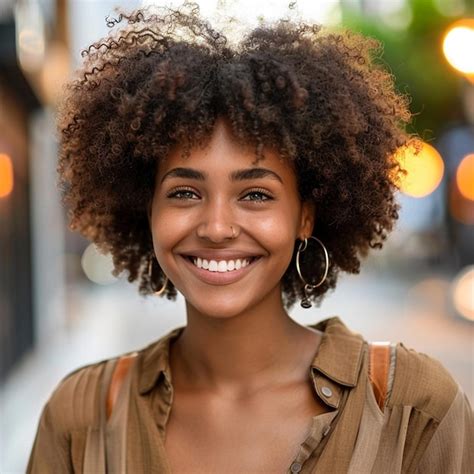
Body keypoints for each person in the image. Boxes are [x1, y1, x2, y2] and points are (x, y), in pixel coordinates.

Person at [27, 3, 472, 473]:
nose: (217, 227)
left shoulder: (413, 411)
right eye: (183, 192)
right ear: (147, 210)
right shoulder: (80, 418)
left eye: (256, 194)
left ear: (305, 216)